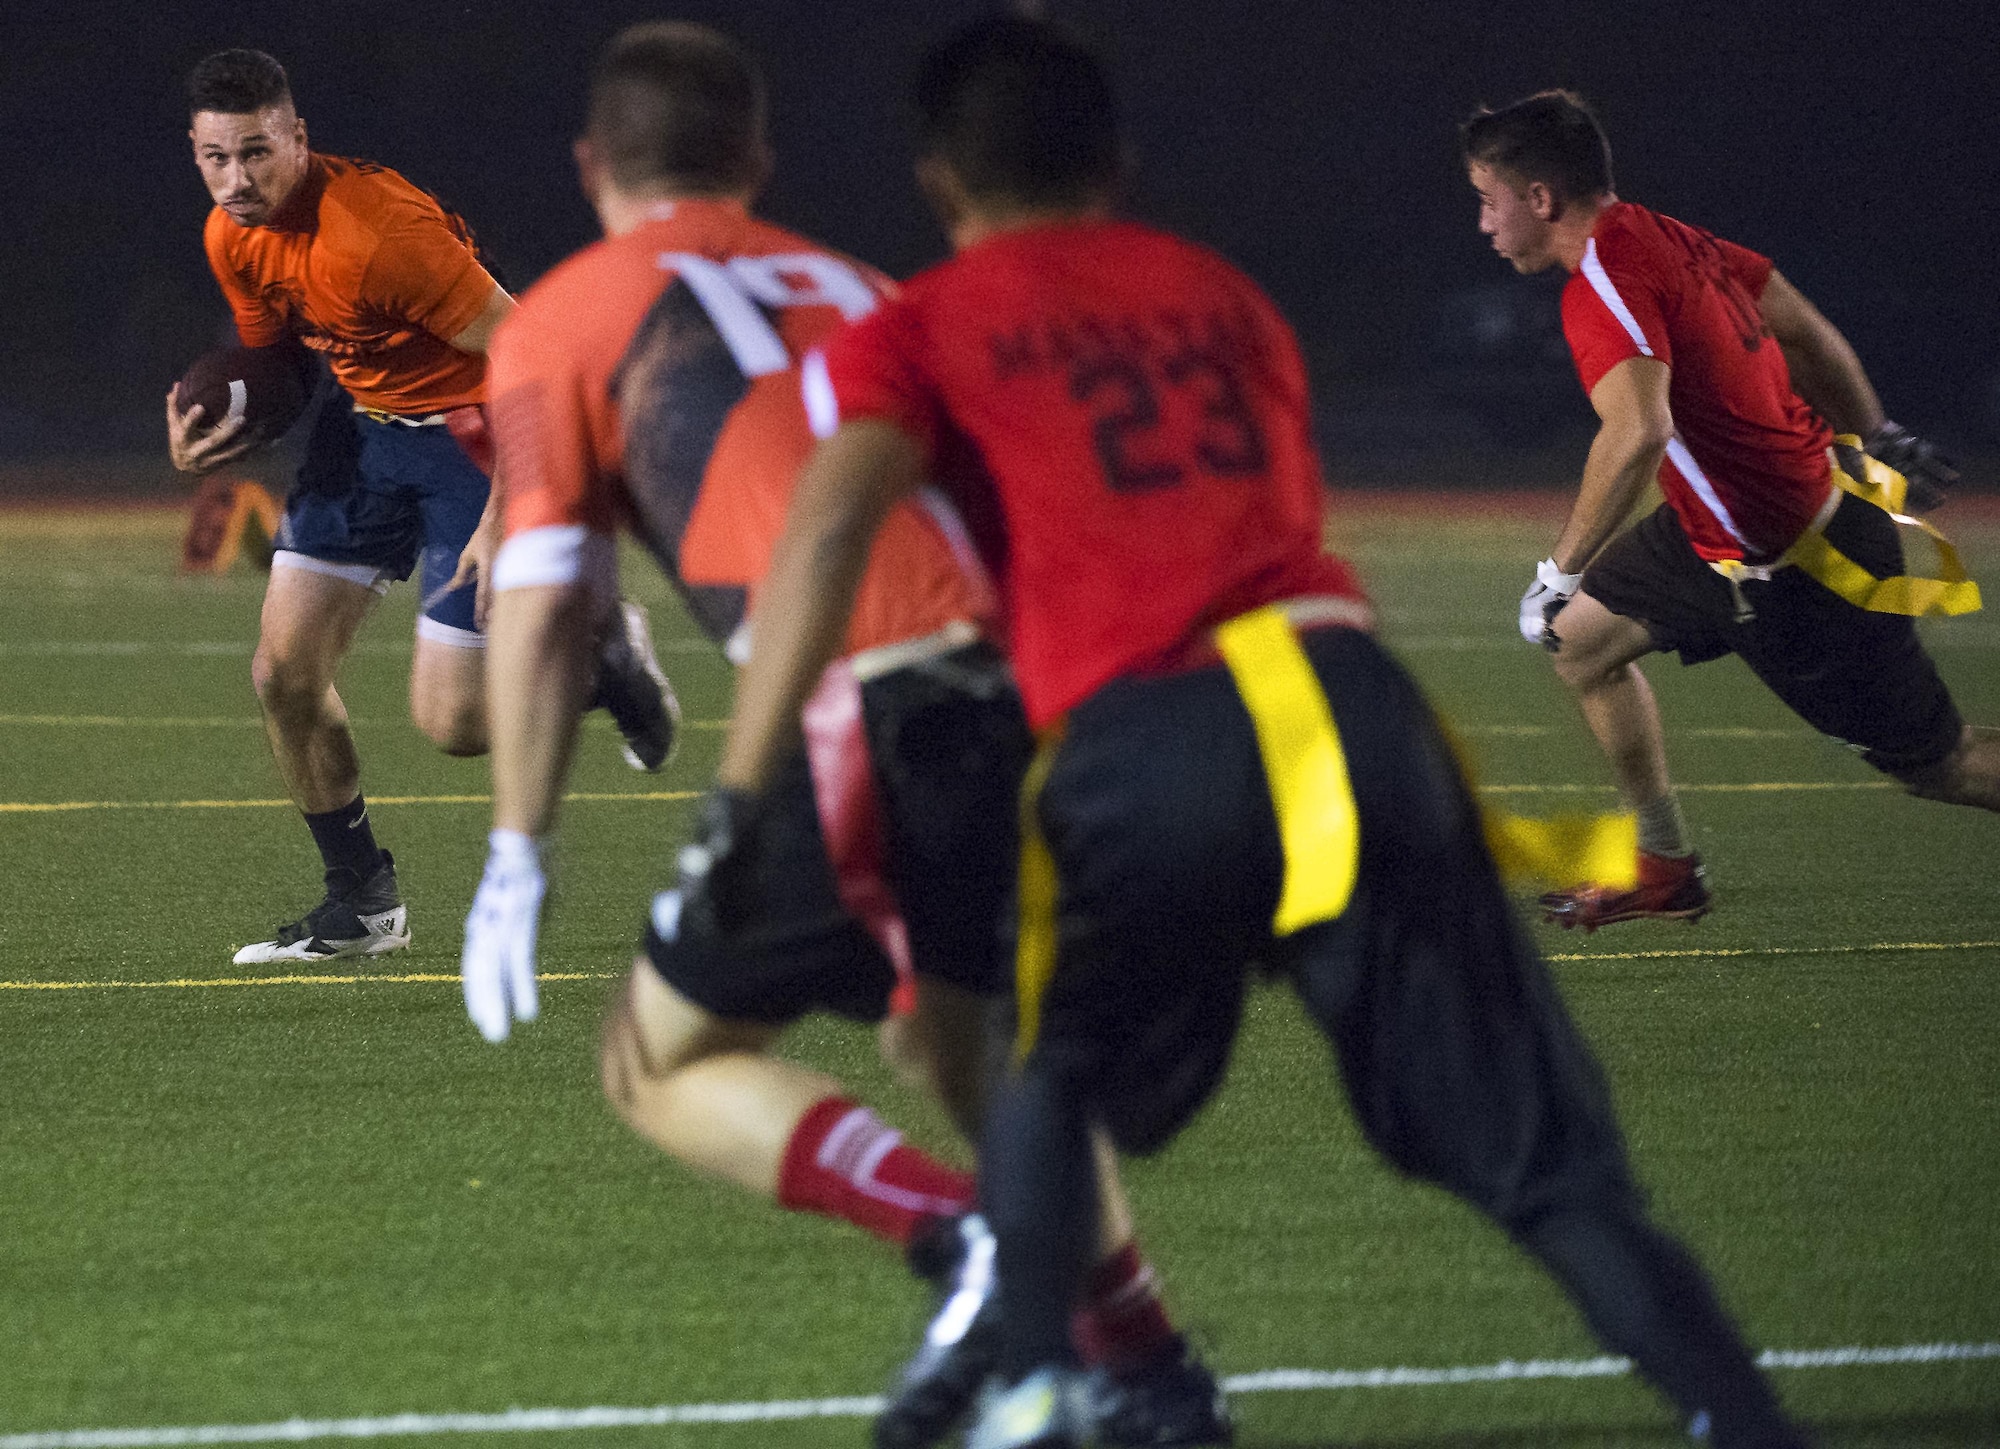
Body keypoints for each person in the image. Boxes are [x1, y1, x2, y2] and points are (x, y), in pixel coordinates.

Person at [709, 16, 1812, 1449]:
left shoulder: (916, 329)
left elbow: (830, 527)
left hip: (1155, 737)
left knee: (1052, 1076)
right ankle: (1744, 1418)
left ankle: (1037, 1385)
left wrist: (744, 789)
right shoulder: (1222, 297)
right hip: (1349, 714)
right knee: (1547, 1170)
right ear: (1118, 162)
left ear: (936, 182)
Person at [459, 24, 1226, 1449]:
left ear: (589, 165)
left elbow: (544, 602)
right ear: (754, 159)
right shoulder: (868, 285)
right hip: (1029, 693)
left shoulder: (558, 317)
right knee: (971, 1054)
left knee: (659, 1056)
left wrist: (519, 844)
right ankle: (1153, 1375)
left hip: (864, 705)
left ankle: (969, 1246)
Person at [168, 49, 677, 966]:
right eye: (216, 158)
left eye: (256, 153)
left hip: (474, 437)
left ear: (298, 138)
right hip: (361, 435)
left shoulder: (378, 232)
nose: (237, 179)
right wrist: (219, 421)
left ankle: (598, 651)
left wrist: (500, 511)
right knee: (283, 672)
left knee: (457, 725)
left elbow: (533, 355)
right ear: (195, 154)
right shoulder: (229, 235)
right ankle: (362, 903)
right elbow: (277, 363)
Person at [1465, 90, 1996, 931]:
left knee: (1944, 766)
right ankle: (1665, 864)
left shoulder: (1601, 280)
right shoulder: (1664, 233)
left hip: (1801, 562)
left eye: (1488, 203)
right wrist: (1879, 433)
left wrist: (1556, 570)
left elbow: (1638, 432)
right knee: (1581, 642)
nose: (1485, 226)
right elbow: (1801, 325)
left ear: (1540, 199)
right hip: (1724, 538)